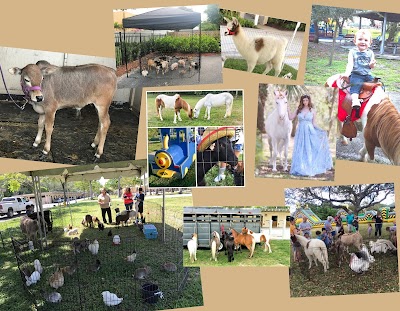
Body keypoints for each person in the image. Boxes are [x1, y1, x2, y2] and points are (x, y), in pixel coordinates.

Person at [288, 95, 333, 177]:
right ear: (301, 101)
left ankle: (309, 166)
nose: (305, 102)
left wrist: (321, 130)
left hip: (310, 131)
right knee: (300, 148)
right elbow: (291, 117)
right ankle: (300, 167)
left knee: (310, 148)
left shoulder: (312, 110)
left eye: (306, 100)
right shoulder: (299, 110)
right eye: (303, 100)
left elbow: (314, 124)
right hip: (301, 132)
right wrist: (287, 108)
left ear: (309, 101)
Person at [341, 29, 376, 117]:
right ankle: (355, 101)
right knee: (355, 86)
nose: (363, 42)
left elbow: (371, 66)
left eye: (366, 40)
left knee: (377, 84)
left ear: (370, 42)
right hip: (356, 74)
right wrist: (347, 73)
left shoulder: (370, 53)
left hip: (367, 75)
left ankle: (377, 100)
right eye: (360, 39)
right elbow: (350, 64)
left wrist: (372, 64)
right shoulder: (352, 52)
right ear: (355, 41)